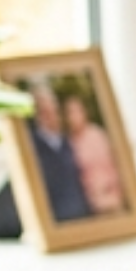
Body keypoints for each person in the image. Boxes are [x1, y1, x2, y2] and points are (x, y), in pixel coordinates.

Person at [21, 83, 91, 223]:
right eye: (46, 111)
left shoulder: (68, 140)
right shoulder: (30, 145)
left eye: (54, 109)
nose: (52, 115)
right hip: (57, 221)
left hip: (82, 215)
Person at [62, 89, 125, 215]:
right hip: (88, 204)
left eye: (76, 111)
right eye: (69, 113)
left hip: (110, 195)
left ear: (84, 112)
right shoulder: (68, 142)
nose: (73, 117)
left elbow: (113, 165)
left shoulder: (97, 135)